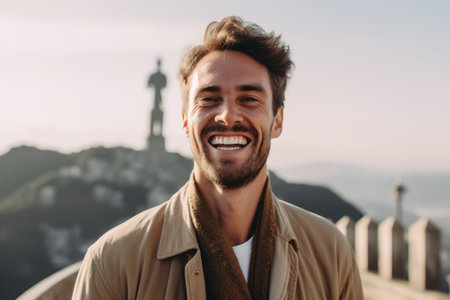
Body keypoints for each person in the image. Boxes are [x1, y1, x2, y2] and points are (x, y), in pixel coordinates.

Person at [72, 16, 363, 300]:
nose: (227, 116)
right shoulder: (113, 263)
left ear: (277, 121)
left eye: (249, 99)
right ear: (186, 121)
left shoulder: (331, 253)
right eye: (209, 98)